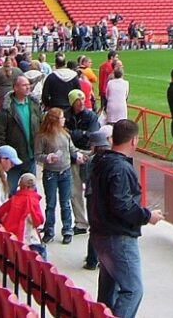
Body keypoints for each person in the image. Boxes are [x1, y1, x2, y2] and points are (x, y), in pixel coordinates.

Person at [88, 119, 165, 318]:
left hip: (101, 232)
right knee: (133, 290)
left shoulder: (101, 161)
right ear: (134, 140)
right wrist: (148, 216)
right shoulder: (119, 168)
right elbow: (121, 205)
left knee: (108, 289)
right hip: (117, 236)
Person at [35, 107, 82, 245]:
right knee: (51, 203)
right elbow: (38, 155)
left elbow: (72, 149)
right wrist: (47, 158)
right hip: (51, 173)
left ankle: (67, 229)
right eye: (62, 118)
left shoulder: (65, 134)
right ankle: (49, 230)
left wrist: (82, 155)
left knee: (65, 203)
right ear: (55, 120)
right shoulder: (42, 137)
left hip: (65, 171)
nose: (64, 120)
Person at [0, 75, 41, 195]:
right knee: (8, 191)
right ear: (15, 88)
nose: (28, 87)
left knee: (31, 192)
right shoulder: (6, 107)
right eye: (24, 85)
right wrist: (4, 156)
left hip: (31, 156)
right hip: (13, 159)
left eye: (28, 84)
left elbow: (40, 124)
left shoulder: (33, 104)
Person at [65, 89, 99, 236]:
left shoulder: (90, 116)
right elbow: (62, 134)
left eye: (82, 100)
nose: (81, 103)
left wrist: (73, 133)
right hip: (73, 155)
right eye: (77, 101)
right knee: (75, 191)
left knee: (92, 191)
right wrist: (81, 134)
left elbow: (92, 135)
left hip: (88, 156)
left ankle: (95, 221)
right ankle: (80, 222)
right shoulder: (66, 116)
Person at [0, 173, 47, 259]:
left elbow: (0, 212)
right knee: (41, 254)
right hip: (28, 238)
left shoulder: (14, 199)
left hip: (11, 236)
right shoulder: (33, 200)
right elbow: (38, 220)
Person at [82, 128, 111, 271]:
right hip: (103, 198)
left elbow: (85, 178)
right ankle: (101, 259)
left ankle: (92, 260)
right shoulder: (109, 160)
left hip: (91, 196)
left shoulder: (90, 161)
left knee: (94, 229)